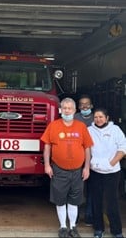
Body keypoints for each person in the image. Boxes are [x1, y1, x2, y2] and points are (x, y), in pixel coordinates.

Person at [41, 97, 93, 238]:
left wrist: (86, 167)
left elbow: (87, 148)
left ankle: (73, 227)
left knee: (74, 201)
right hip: (59, 169)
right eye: (64, 108)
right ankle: (63, 227)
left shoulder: (81, 126)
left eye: (70, 108)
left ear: (74, 110)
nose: (67, 110)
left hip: (77, 170)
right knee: (60, 199)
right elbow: (47, 147)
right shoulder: (53, 126)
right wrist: (47, 165)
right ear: (60, 110)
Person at [88, 108, 126, 238]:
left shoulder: (115, 130)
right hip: (95, 171)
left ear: (107, 118)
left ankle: (117, 231)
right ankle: (98, 229)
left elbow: (122, 148)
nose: (98, 119)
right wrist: (91, 164)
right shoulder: (89, 130)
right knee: (96, 200)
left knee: (112, 201)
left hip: (112, 172)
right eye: (96, 117)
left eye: (101, 117)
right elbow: (86, 149)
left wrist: (112, 163)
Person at [74, 94, 94, 226]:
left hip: (94, 159)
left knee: (91, 188)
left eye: (87, 104)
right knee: (76, 188)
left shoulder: (97, 117)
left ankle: (89, 216)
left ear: (91, 105)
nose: (85, 106)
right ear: (78, 107)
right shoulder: (74, 118)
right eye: (82, 104)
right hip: (77, 158)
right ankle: (74, 215)